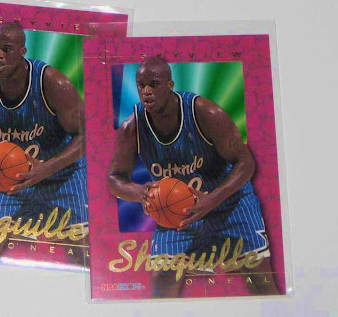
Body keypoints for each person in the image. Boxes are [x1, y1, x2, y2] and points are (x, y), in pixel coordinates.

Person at [107, 57, 279, 297]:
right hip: (179, 214)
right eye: (141, 85)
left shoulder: (205, 113)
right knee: (162, 281)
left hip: (229, 203)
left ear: (170, 85)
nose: (146, 91)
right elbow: (114, 178)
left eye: (154, 84)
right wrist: (140, 192)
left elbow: (245, 163)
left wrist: (211, 200)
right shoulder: (131, 128)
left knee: (261, 282)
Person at [0, 22, 87, 258]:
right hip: (9, 178)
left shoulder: (53, 83)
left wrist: (47, 168)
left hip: (61, 174)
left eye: (6, 49)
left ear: (22, 52)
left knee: (82, 249)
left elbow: (85, 135)